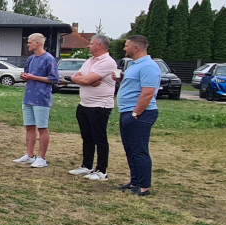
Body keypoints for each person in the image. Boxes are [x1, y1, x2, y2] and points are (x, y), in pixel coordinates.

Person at [67, 34, 118, 181]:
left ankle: (101, 171)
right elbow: (79, 76)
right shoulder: (90, 61)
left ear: (100, 46)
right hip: (84, 104)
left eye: (91, 43)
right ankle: (87, 165)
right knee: (87, 137)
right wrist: (83, 80)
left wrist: (85, 80)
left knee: (99, 138)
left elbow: (86, 78)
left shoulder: (108, 62)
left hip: (99, 106)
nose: (88, 46)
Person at [118, 35, 160, 197]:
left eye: (126, 45)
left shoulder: (149, 66)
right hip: (128, 112)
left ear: (136, 48)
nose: (124, 48)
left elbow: (148, 93)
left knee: (139, 150)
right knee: (130, 149)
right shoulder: (134, 65)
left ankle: (144, 186)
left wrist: (136, 113)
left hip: (140, 113)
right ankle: (134, 181)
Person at [15, 33, 59, 168]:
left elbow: (54, 79)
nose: (27, 44)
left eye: (29, 42)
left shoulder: (49, 59)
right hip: (28, 97)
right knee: (29, 127)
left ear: (38, 43)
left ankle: (42, 158)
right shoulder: (31, 59)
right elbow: (28, 75)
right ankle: (29, 155)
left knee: (42, 128)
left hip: (41, 98)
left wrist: (34, 77)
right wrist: (25, 76)